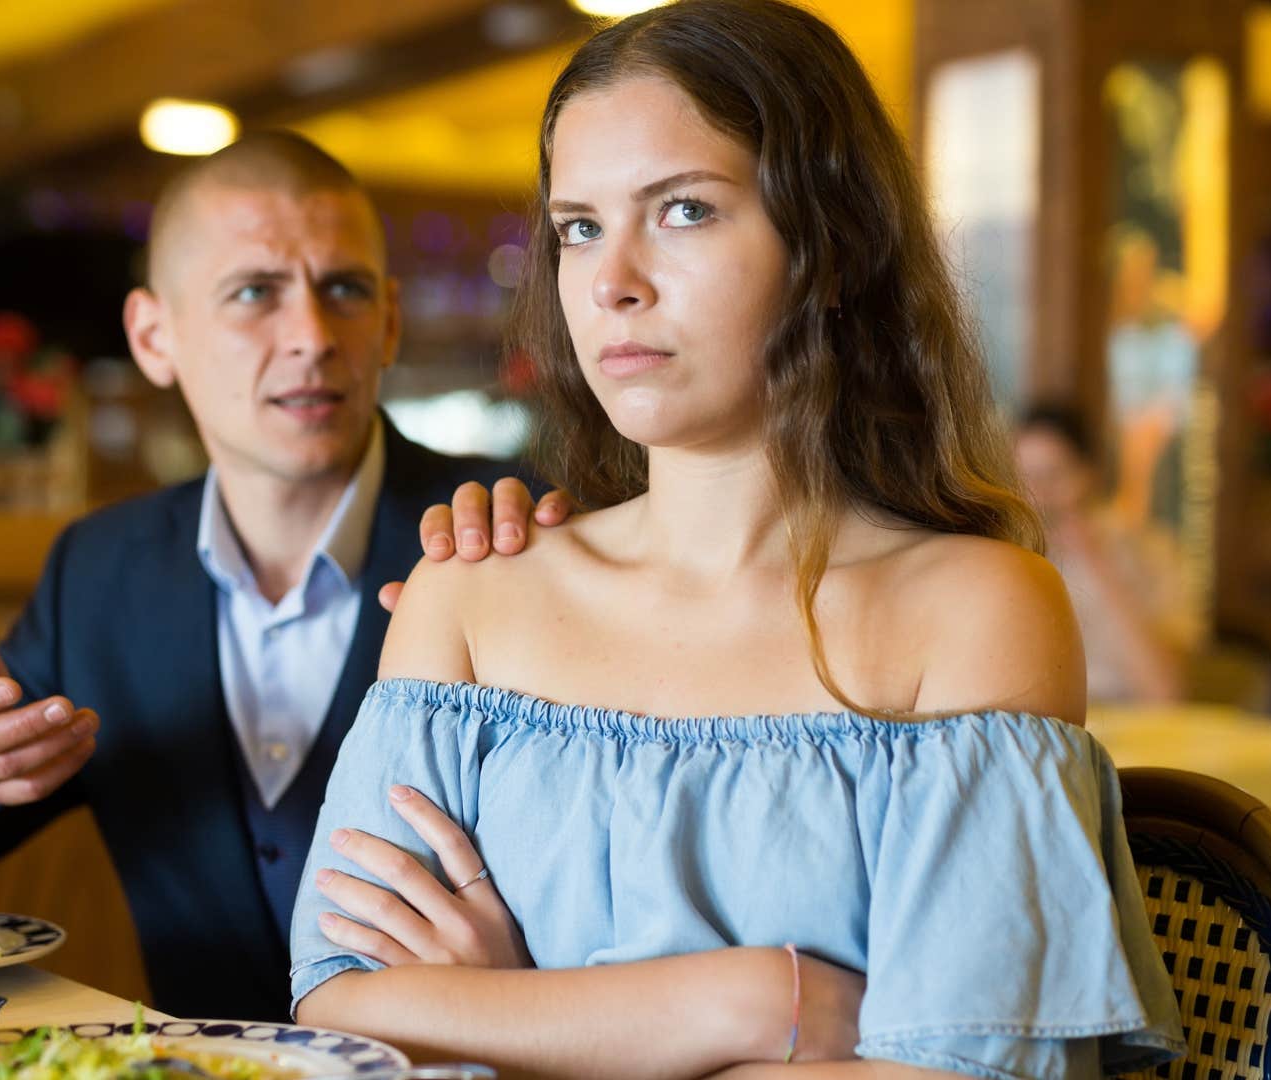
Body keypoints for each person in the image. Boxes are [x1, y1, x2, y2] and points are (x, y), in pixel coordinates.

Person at [286, 3, 1184, 1077]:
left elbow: (965, 1073)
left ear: (833, 248)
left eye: (683, 211)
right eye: (579, 227)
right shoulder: (470, 595)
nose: (612, 281)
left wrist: (520, 1019)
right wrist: (755, 1001)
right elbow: (337, 1000)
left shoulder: (977, 611)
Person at [0, 132, 564, 1022]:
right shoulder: (101, 572)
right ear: (154, 336)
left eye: (344, 289)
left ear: (389, 322)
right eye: (255, 292)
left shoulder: (513, 536)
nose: (311, 337)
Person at [1013, 404, 1194, 703]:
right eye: (1024, 478)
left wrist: (1097, 563)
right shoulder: (1004, 558)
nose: (1038, 495)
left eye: (1053, 475)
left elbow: (1165, 693)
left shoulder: (1149, 550)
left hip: (1131, 719)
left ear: (1088, 475)